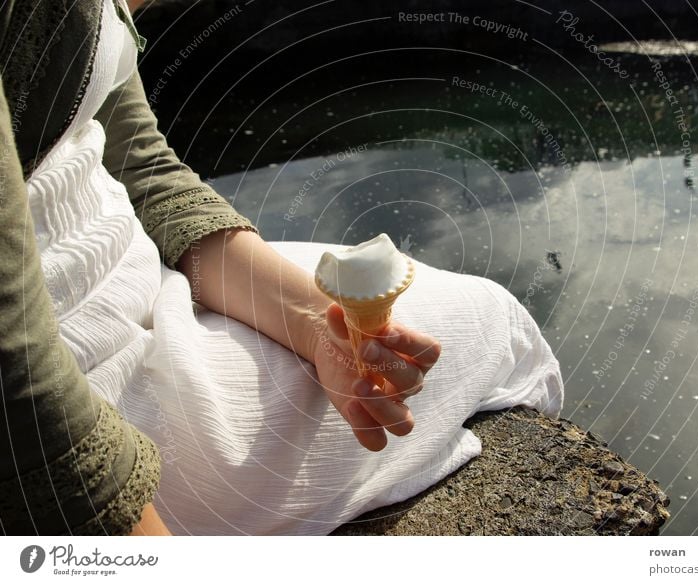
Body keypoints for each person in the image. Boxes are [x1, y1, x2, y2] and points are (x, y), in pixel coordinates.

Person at [0, 0, 563, 535]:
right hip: (74, 397)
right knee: (499, 327)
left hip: (151, 294)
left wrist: (317, 326)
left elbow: (143, 171)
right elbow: (15, 370)